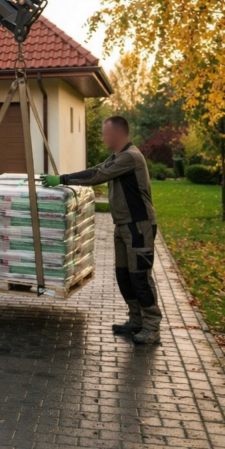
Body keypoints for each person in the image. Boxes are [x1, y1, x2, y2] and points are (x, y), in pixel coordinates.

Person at [43, 116, 162, 345]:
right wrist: (66, 178)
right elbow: (97, 169)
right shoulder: (117, 156)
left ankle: (151, 326)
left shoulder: (130, 157)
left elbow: (98, 176)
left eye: (106, 134)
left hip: (138, 225)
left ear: (118, 134)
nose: (103, 137)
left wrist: (62, 179)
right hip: (123, 224)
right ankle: (136, 321)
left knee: (140, 277)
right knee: (124, 275)